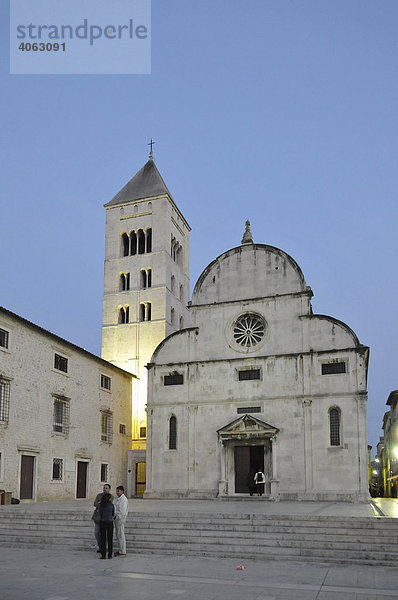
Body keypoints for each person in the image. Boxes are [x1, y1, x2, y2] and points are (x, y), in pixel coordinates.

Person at [92, 484, 114, 551]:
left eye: (106, 488)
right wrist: (102, 503)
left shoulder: (111, 496)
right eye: (104, 488)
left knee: (104, 534)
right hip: (98, 517)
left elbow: (108, 505)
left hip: (106, 518)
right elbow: (95, 503)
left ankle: (103, 547)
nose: (104, 489)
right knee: (96, 533)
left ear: (109, 489)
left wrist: (101, 503)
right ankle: (100, 545)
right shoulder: (99, 495)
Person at [114, 485, 129, 557]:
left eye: (118, 491)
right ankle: (121, 550)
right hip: (117, 520)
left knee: (120, 535)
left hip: (120, 520)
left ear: (122, 491)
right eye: (117, 491)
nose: (117, 492)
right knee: (119, 535)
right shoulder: (119, 499)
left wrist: (117, 517)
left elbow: (122, 511)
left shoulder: (123, 499)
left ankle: (123, 551)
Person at [99, 492, 114, 559]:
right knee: (110, 539)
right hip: (110, 522)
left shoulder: (101, 505)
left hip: (102, 522)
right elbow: (113, 513)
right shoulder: (111, 505)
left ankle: (103, 554)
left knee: (103, 539)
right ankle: (110, 554)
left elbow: (100, 513)